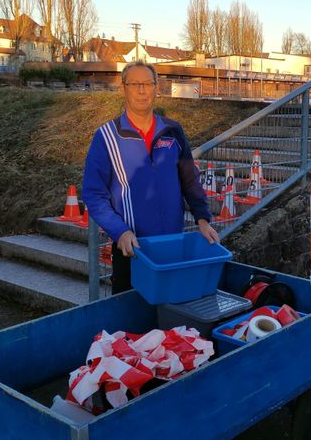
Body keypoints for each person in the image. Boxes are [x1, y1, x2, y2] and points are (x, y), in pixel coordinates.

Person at [82, 61, 219, 293]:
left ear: (157, 87)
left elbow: (189, 179)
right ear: (123, 87)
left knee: (170, 316)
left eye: (147, 84)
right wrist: (119, 231)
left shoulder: (173, 131)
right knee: (131, 322)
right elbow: (94, 195)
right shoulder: (106, 136)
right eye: (135, 84)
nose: (142, 90)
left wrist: (202, 219)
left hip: (172, 245)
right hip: (132, 249)